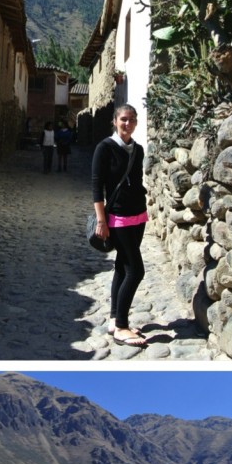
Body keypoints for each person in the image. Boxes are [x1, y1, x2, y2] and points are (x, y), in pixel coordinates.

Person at [91, 104, 148, 347]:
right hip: (118, 218)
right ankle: (122, 327)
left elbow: (136, 181)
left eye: (132, 120)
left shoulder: (139, 150)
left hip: (139, 216)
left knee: (122, 268)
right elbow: (97, 187)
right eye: (124, 119)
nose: (128, 124)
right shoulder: (104, 148)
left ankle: (115, 318)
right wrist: (102, 220)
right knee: (136, 271)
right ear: (115, 121)